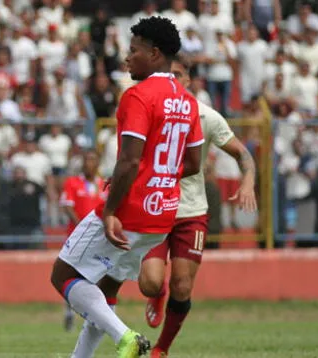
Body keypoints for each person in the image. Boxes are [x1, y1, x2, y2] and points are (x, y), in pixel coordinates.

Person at [70, 55, 258, 358]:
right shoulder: (154, 110)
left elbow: (242, 154)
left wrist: (248, 182)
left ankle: (161, 349)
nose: (173, 79)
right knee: (150, 283)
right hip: (155, 209)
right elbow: (135, 158)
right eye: (168, 73)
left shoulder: (206, 116)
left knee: (182, 286)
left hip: (191, 211)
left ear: (189, 81)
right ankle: (156, 296)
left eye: (179, 74)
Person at [50, 17, 203, 358]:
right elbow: (193, 164)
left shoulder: (138, 95)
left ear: (155, 53)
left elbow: (130, 161)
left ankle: (125, 337)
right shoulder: (188, 101)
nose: (126, 58)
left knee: (62, 275)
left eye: (133, 51)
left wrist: (109, 212)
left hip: (131, 210)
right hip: (162, 216)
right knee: (105, 289)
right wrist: (159, 178)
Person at [59, 150, 107, 331]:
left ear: (98, 164)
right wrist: (83, 227)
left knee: (96, 276)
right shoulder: (73, 182)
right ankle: (69, 312)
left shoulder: (104, 184)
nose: (89, 164)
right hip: (77, 237)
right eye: (86, 160)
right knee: (72, 275)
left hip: (100, 239)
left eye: (92, 160)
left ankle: (94, 314)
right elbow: (67, 206)